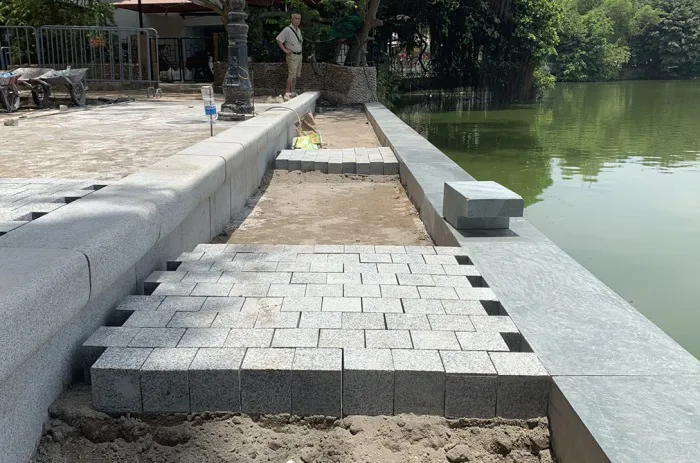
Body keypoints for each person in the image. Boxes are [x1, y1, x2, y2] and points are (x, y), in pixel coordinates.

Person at [276, 13, 303, 100]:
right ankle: (287, 93)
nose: (297, 20)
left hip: (299, 55)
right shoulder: (287, 29)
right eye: (296, 18)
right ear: (292, 19)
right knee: (291, 74)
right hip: (292, 55)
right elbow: (279, 39)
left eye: (299, 19)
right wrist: (285, 50)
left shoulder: (298, 30)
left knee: (296, 75)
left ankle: (292, 92)